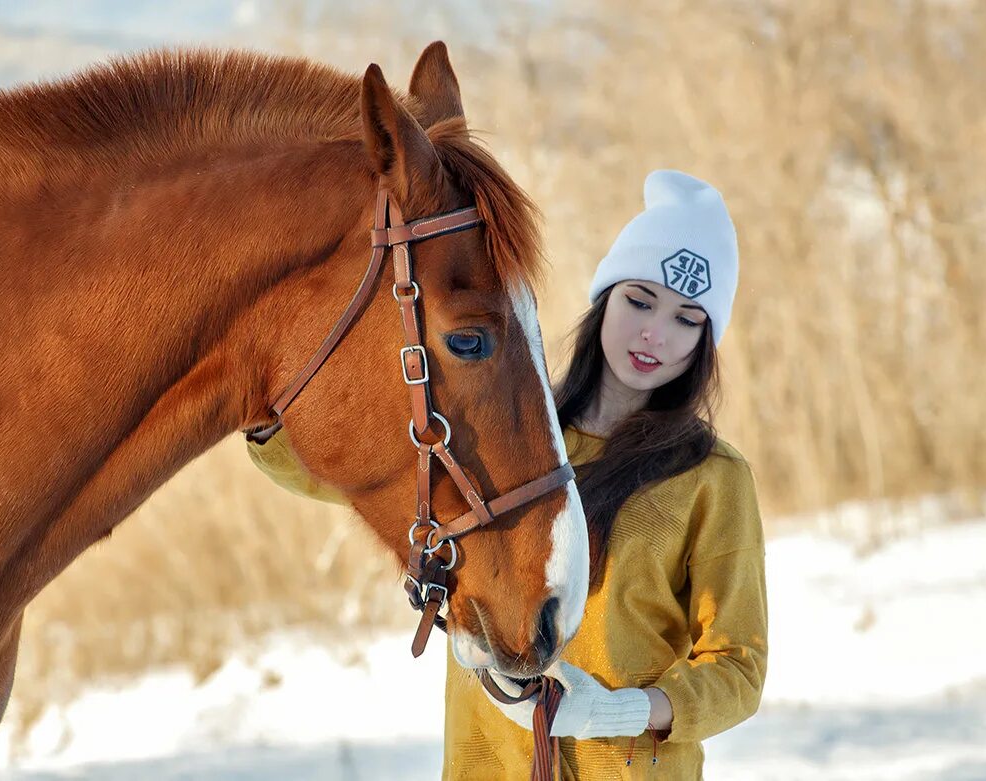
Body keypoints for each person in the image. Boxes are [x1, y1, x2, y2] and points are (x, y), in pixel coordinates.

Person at [248, 170, 767, 780]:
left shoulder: (711, 478)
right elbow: (357, 476)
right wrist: (266, 419)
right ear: (605, 299)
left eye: (688, 319)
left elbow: (738, 667)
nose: (655, 333)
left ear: (705, 342)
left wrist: (624, 711)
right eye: (640, 300)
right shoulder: (511, 434)